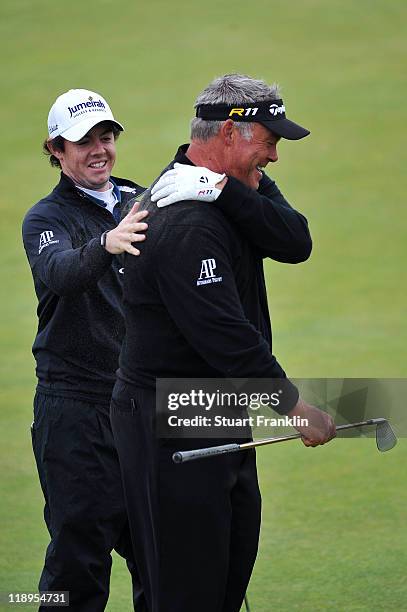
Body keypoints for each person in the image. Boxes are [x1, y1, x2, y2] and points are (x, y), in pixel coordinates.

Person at [110, 73, 336, 612]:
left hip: (213, 405)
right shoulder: (184, 220)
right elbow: (225, 337)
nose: (275, 156)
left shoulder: (226, 189)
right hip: (170, 416)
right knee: (188, 592)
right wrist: (295, 406)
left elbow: (295, 241)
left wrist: (224, 189)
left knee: (225, 576)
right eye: (270, 140)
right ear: (231, 134)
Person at [22, 89, 150, 611]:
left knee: (158, 553)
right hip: (73, 409)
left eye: (106, 136)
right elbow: (61, 273)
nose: (99, 149)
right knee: (77, 562)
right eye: (82, 142)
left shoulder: (141, 198)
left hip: (139, 404)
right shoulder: (45, 218)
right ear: (55, 149)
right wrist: (106, 243)